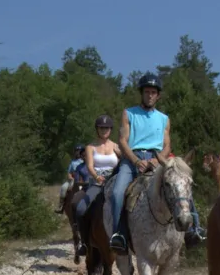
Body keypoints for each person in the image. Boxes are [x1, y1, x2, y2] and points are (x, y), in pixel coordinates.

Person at [107, 72, 206, 254]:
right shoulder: (129, 113)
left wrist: (155, 159)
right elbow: (122, 140)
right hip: (132, 159)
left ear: (158, 95)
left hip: (157, 159)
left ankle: (194, 229)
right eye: (146, 92)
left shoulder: (164, 118)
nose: (150, 95)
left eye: (153, 92)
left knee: (180, 185)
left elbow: (167, 144)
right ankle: (119, 234)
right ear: (142, 93)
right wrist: (137, 161)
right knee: (116, 192)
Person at [74, 115, 121, 255]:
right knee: (81, 208)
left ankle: (125, 237)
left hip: (114, 184)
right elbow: (89, 166)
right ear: (97, 129)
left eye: (106, 128)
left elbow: (123, 162)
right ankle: (84, 243)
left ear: (110, 130)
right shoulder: (90, 147)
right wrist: (96, 176)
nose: (104, 130)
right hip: (96, 184)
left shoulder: (116, 147)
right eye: (101, 128)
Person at [56, 145, 86, 213]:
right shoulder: (72, 162)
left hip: (82, 180)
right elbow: (69, 173)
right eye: (76, 151)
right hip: (73, 179)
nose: (77, 153)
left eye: (79, 151)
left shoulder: (84, 160)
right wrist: (71, 178)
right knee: (64, 187)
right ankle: (61, 205)